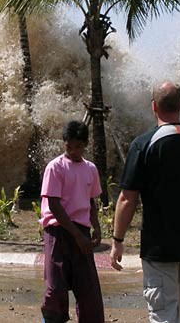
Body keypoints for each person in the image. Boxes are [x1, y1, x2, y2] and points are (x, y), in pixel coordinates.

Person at [110, 82, 180, 323]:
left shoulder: (144, 144)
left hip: (159, 246)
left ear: (154, 107)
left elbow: (127, 199)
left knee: (163, 313)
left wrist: (117, 240)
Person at [39, 120, 105, 323]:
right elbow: (55, 205)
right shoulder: (55, 167)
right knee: (55, 289)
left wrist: (96, 228)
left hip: (82, 231)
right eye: (69, 146)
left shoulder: (90, 169)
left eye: (78, 147)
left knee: (89, 290)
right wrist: (77, 236)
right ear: (64, 143)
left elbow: (91, 201)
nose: (73, 151)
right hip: (58, 232)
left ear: (85, 145)